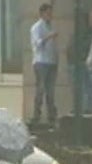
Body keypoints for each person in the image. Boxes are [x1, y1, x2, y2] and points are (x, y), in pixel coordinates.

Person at [30, 3, 59, 131]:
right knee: (41, 88)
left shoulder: (50, 26)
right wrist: (49, 37)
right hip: (41, 62)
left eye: (51, 13)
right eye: (48, 13)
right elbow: (37, 44)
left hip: (51, 62)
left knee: (50, 90)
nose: (50, 16)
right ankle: (37, 115)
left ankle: (51, 116)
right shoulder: (36, 27)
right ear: (42, 14)